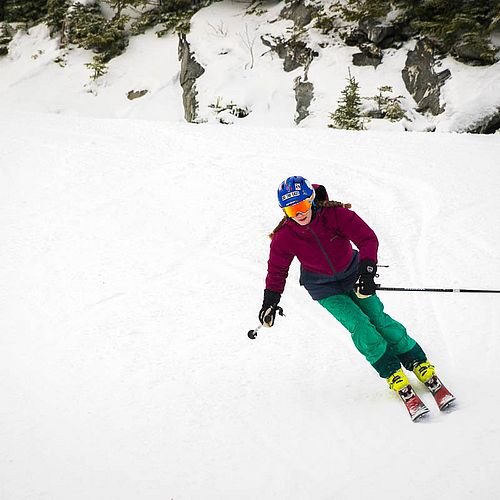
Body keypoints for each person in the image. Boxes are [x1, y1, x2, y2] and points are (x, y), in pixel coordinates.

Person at [258, 175, 437, 393]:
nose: (300, 213)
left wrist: (367, 272)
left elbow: (367, 239)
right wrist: (270, 301)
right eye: (291, 210)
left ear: (312, 200)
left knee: (378, 319)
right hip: (323, 288)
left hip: (354, 275)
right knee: (360, 325)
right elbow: (277, 270)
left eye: (303, 205)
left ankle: (417, 360)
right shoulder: (284, 236)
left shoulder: (335, 215)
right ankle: (391, 371)